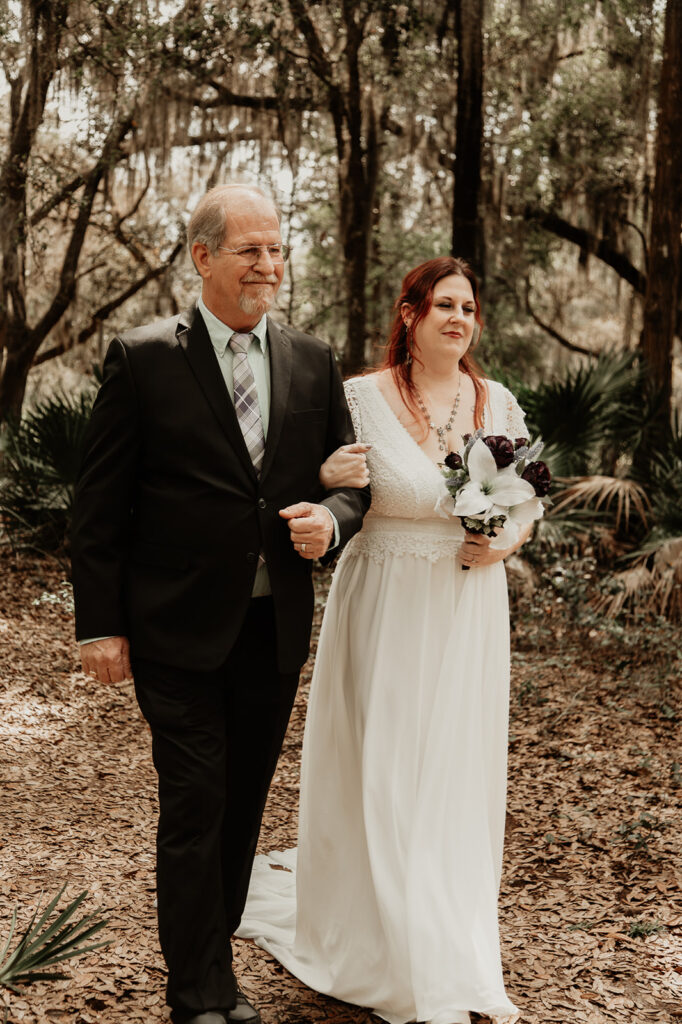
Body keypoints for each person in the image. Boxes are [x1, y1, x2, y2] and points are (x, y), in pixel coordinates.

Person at [70, 183, 370, 1024]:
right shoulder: (143, 358)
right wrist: (99, 623)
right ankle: (200, 991)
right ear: (202, 258)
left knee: (241, 806)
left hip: (271, 631)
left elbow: (351, 482)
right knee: (196, 799)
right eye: (250, 250)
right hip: (174, 626)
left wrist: (332, 521)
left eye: (277, 249)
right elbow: (98, 507)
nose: (269, 265)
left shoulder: (312, 360)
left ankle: (214, 954)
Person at [237, 257, 531, 1024]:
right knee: (383, 768)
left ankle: (444, 940)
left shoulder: (497, 401)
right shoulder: (359, 398)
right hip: (383, 603)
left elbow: (524, 502)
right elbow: (320, 490)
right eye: (443, 305)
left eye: (469, 307)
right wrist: (326, 476)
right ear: (410, 314)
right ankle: (383, 943)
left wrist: (499, 541)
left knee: (450, 773)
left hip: (468, 608)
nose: (459, 319)